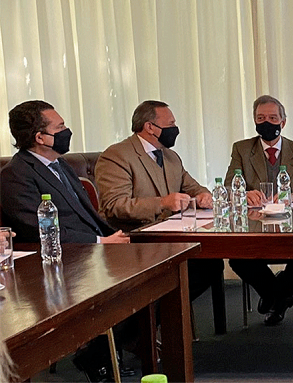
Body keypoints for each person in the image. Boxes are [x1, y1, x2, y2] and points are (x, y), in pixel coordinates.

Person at [1, 100, 130, 382]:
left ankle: (107, 352)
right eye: (60, 127)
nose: (66, 131)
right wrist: (100, 241)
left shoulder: (60, 165)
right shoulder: (15, 175)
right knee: (128, 291)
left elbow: (87, 214)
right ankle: (96, 356)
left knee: (158, 275)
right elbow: (37, 229)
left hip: (93, 249)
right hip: (60, 262)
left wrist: (111, 235)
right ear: (40, 137)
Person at [95, 100, 224, 303]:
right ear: (150, 127)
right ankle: (146, 324)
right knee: (196, 269)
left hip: (171, 238)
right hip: (135, 240)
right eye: (171, 124)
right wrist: (162, 203)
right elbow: (115, 206)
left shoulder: (171, 157)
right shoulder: (117, 156)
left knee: (211, 265)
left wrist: (203, 196)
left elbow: (193, 187)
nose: (175, 129)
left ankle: (162, 316)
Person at [224, 95, 293, 325]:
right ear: (254, 121)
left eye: (272, 118)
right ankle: (280, 297)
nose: (266, 122)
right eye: (261, 118)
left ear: (283, 122)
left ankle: (275, 296)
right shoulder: (241, 149)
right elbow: (228, 186)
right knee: (239, 259)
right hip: (254, 227)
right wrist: (243, 193)